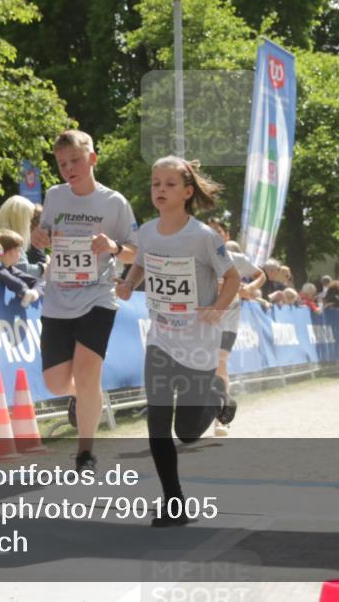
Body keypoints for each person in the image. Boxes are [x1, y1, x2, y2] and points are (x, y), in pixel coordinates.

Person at [116, 156, 239, 527]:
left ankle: (217, 395)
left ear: (187, 192)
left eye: (169, 184)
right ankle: (174, 504)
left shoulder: (203, 237)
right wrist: (127, 283)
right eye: (156, 183)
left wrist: (217, 308)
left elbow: (232, 279)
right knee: (157, 422)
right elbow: (141, 262)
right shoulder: (148, 231)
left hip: (198, 343)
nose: (160, 190)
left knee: (186, 431)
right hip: (161, 339)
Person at [30, 130, 138, 473]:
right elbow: (42, 238)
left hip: (97, 296)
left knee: (89, 373)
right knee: (56, 383)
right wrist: (38, 237)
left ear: (92, 158)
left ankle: (85, 453)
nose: (69, 169)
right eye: (62, 164)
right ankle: (85, 397)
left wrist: (114, 248)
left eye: (75, 161)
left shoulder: (114, 202)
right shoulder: (55, 196)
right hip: (58, 299)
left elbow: (137, 251)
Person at [206, 219, 265, 437]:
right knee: (205, 367)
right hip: (203, 319)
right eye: (209, 231)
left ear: (226, 236)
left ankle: (221, 419)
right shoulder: (198, 258)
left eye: (218, 232)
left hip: (228, 319)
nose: (213, 235)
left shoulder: (237, 260)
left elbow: (261, 274)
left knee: (220, 362)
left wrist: (249, 287)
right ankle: (205, 410)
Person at [0, 194, 47, 278]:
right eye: (29, 219)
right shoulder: (7, 238)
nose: (30, 223)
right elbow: (22, 270)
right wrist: (44, 268)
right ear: (21, 219)